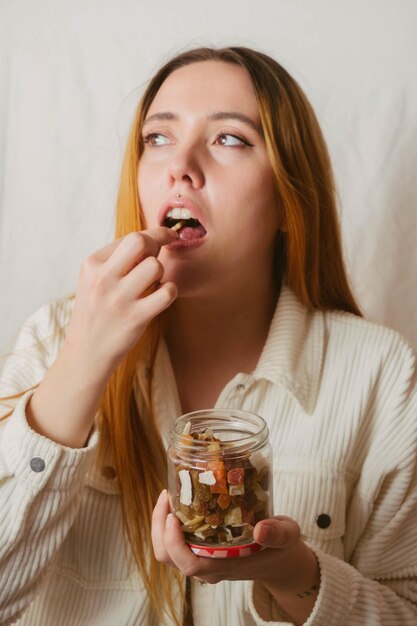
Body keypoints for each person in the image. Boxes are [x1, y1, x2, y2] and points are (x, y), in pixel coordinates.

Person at [0, 46, 416, 626]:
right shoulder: (53, 339)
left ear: (287, 201)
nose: (181, 166)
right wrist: (82, 363)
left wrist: (293, 574)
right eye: (158, 138)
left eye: (229, 139)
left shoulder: (380, 374)